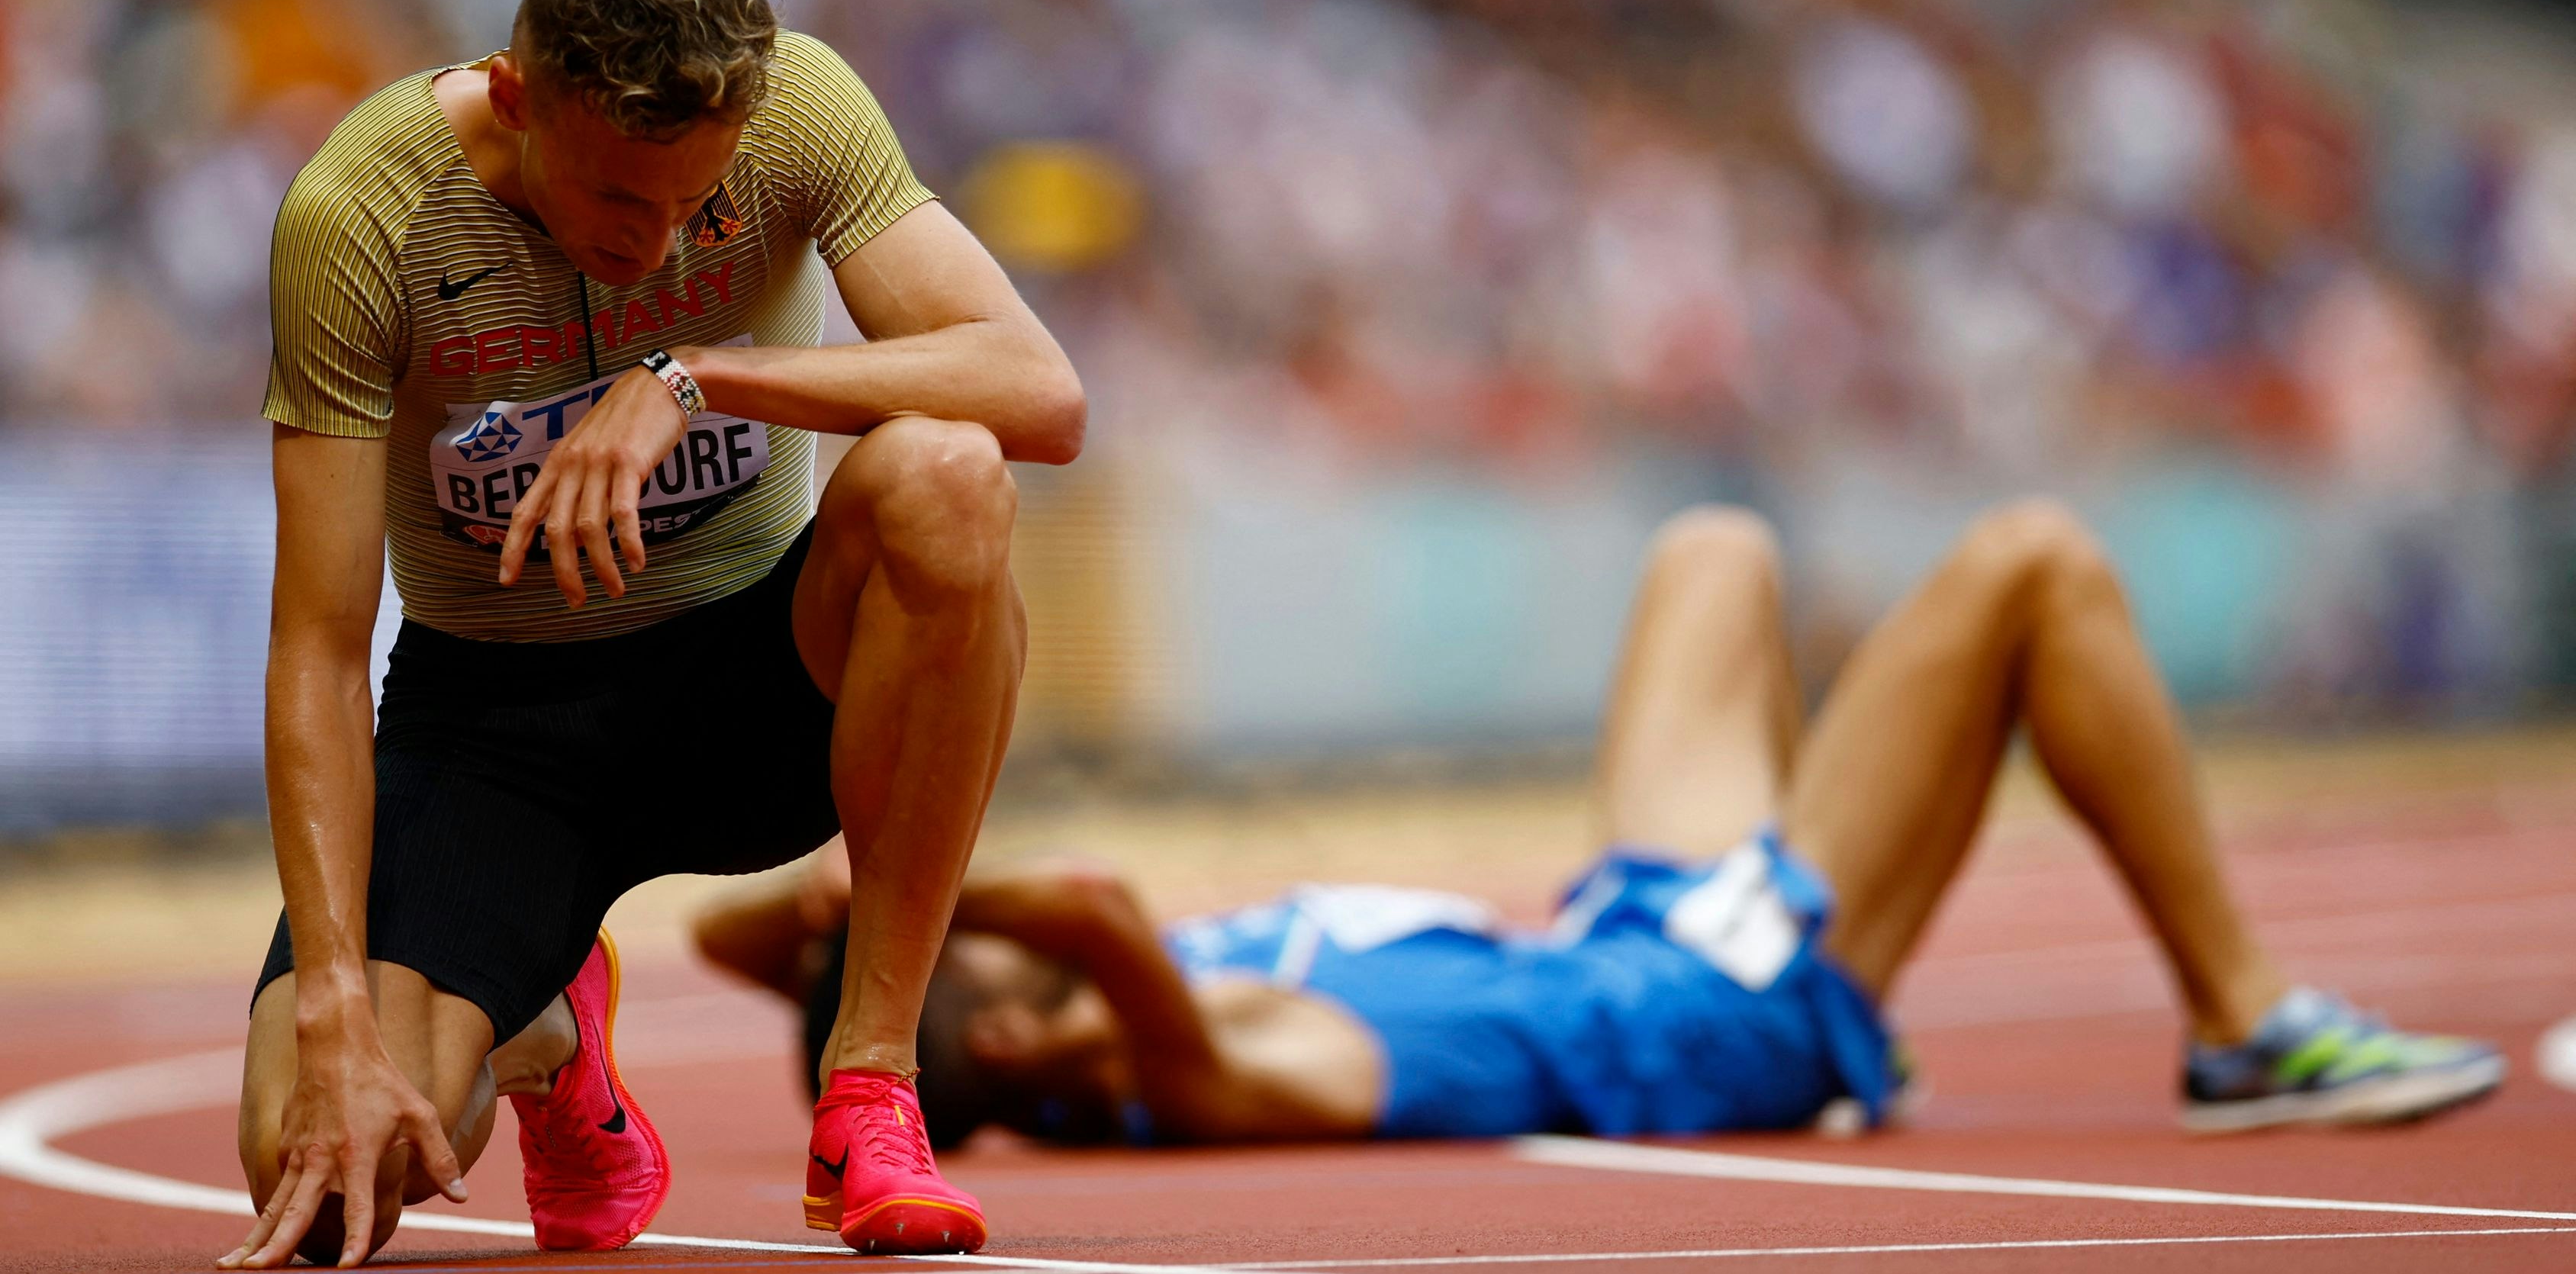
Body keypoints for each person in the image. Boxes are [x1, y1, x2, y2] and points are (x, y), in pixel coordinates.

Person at [227, 0, 1081, 1269]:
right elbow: (319, 648)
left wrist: (698, 377)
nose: (666, 247)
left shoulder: (801, 109)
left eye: (699, 201)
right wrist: (331, 995)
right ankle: (552, 1041)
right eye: (623, 197)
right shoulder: (361, 216)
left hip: (757, 675)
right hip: (497, 726)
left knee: (950, 478)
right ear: (517, 100)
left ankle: (871, 1087)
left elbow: (1039, 390)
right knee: (319, 1178)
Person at [697, 501, 2504, 1147]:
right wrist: (917, 880)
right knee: (2031, 561)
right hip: (1720, 1012)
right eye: (973, 951)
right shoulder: (1173, 1066)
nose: (964, 913)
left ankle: (1827, 872)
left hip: (1627, 925)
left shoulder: (1089, 1016)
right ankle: (2241, 1020)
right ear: (1010, 1021)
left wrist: (844, 935)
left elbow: (719, 931)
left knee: (1709, 551)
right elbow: (1083, 898)